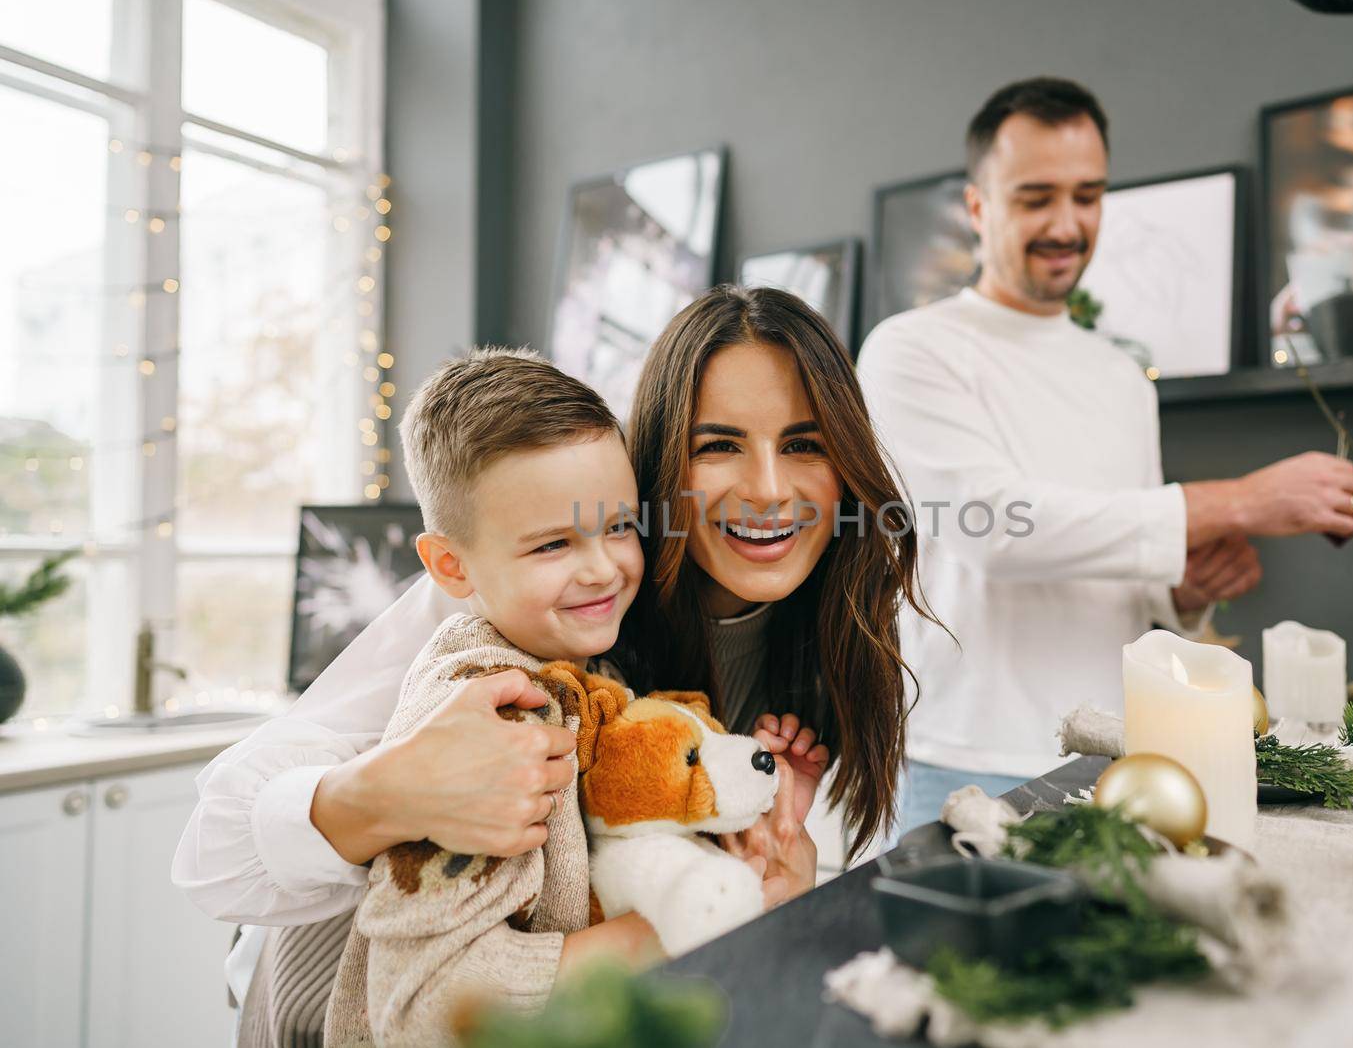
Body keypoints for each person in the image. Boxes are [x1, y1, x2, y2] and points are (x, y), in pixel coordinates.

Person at [173, 286, 930, 1042]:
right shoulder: (517, 606)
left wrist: (760, 891)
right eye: (719, 444)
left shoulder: (833, 617)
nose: (769, 489)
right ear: (661, 463)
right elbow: (215, 850)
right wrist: (386, 789)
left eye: (804, 443)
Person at [855, 77, 1353, 830]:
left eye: (1088, 195)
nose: (1067, 223)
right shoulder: (910, 349)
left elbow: (1126, 563)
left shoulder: (1123, 377)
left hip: (1116, 755)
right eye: (1036, 198)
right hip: (960, 758)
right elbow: (996, 529)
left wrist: (1183, 595)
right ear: (977, 207)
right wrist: (1243, 499)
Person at [322, 348, 670, 1044]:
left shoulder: (584, 661)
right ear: (450, 564)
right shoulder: (493, 710)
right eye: (551, 546)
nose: (604, 567)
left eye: (619, 526)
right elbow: (430, 1005)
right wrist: (670, 930)